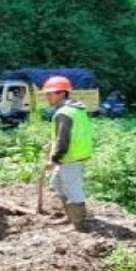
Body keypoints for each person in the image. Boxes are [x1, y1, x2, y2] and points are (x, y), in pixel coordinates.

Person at [42, 76, 93, 231]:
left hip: (70, 157)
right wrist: (52, 144)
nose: (47, 96)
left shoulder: (64, 113)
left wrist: (54, 159)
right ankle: (69, 216)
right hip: (75, 153)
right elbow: (68, 135)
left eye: (51, 93)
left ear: (62, 94)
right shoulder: (75, 110)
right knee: (57, 184)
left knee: (73, 190)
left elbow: (63, 140)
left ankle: (79, 224)